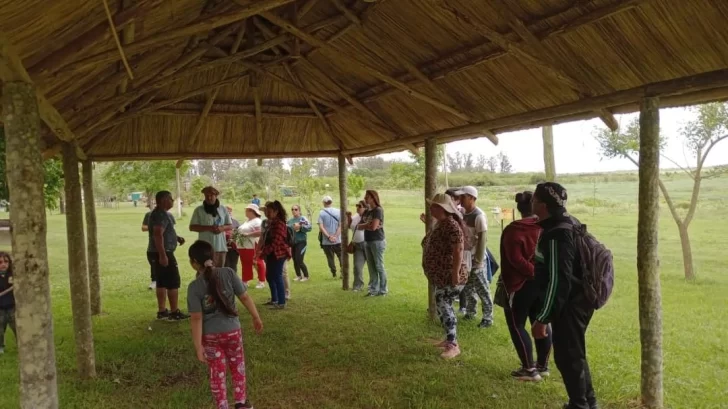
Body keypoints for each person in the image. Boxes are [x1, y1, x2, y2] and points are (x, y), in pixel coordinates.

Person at [530, 182, 597, 409]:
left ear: (542, 204)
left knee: (568, 358)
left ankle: (580, 405)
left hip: (570, 305)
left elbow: (559, 280)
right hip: (578, 301)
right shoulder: (569, 222)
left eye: (534, 199)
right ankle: (587, 403)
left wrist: (544, 317)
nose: (531, 203)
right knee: (574, 355)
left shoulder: (557, 233)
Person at [186, 240, 263, 409]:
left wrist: (198, 346)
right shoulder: (228, 273)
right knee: (238, 366)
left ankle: (222, 405)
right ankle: (241, 403)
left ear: (194, 263)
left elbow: (196, 318)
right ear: (213, 256)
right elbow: (244, 297)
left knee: (217, 372)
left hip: (210, 337)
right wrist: (256, 317)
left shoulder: (194, 287)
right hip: (233, 332)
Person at [500, 191, 551, 382]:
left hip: (520, 284)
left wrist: (532, 272)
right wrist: (540, 274)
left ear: (519, 208)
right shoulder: (545, 227)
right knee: (541, 321)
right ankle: (542, 366)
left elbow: (515, 259)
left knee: (516, 324)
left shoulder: (514, 229)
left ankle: (529, 370)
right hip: (542, 283)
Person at [422, 194, 469, 359]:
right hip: (441, 275)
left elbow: (458, 250)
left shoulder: (451, 225)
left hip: (450, 276)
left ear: (442, 209)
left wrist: (455, 273)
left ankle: (453, 344)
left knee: (444, 304)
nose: (430, 208)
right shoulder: (441, 223)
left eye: (434, 206)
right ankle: (449, 339)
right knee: (442, 303)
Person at [455, 186, 493, 328]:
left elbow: (483, 238)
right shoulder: (463, 213)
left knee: (482, 288)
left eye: (463, 197)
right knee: (469, 287)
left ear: (472, 198)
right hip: (466, 257)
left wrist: (478, 260)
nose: (461, 200)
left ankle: (488, 318)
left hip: (476, 259)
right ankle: (471, 312)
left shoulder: (479, 216)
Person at [148, 191, 190, 321]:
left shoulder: (159, 214)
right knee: (172, 282)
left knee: (161, 282)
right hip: (163, 252)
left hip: (155, 252)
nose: (172, 201)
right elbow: (157, 234)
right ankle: (174, 312)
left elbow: (163, 232)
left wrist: (176, 238)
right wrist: (163, 255)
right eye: (170, 199)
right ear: (164, 200)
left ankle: (162, 311)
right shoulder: (161, 215)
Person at [257, 201, 291, 309]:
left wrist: (263, 253)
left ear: (276, 212)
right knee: (270, 276)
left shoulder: (279, 224)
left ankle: (281, 303)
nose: (267, 213)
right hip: (272, 254)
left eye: (270, 211)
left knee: (277, 276)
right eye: (266, 211)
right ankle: (275, 299)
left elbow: (276, 243)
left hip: (279, 254)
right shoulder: (270, 223)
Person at [189, 186, 233, 267]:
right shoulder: (199, 210)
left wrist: (221, 228)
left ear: (216, 196)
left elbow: (230, 225)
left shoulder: (223, 209)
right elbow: (192, 227)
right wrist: (209, 228)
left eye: (211, 195)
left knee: (219, 273)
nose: (209, 198)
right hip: (204, 250)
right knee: (203, 273)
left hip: (220, 247)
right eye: (207, 196)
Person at [358, 190, 388, 296]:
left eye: (367, 197)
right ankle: (373, 290)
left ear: (373, 198)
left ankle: (383, 290)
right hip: (367, 241)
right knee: (371, 267)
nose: (365, 198)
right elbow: (359, 226)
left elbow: (374, 227)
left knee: (379, 266)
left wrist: (368, 225)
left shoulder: (378, 210)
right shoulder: (367, 211)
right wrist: (368, 224)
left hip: (377, 241)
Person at [236, 204, 266, 289]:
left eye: (247, 210)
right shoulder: (247, 221)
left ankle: (261, 280)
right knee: (245, 262)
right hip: (244, 245)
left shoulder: (257, 221)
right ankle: (245, 280)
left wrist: (248, 234)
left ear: (252, 211)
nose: (245, 212)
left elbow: (261, 232)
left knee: (257, 262)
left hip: (253, 245)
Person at [318, 195, 342, 278]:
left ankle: (333, 272)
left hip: (326, 241)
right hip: (338, 240)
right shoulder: (338, 211)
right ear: (331, 202)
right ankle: (342, 272)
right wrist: (335, 236)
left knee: (330, 257)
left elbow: (321, 227)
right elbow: (340, 226)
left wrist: (329, 237)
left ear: (324, 203)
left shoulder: (321, 212)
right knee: (340, 256)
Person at [288, 205, 312, 281]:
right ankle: (298, 275)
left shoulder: (303, 218)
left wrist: (300, 227)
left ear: (299, 210)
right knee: (294, 259)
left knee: (299, 259)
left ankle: (306, 276)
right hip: (293, 243)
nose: (294, 211)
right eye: (292, 209)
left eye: (296, 209)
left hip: (301, 242)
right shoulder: (290, 221)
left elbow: (309, 227)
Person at [347, 200, 367, 291]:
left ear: (365, 208)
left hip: (366, 244)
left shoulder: (368, 217)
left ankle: (375, 286)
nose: (357, 207)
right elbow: (349, 226)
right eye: (357, 205)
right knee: (357, 267)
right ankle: (358, 286)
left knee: (373, 266)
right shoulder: (355, 216)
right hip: (357, 245)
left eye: (360, 206)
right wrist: (348, 217)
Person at [0, 252, 16, 354]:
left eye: (6, 261)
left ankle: (21, 344)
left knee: (16, 327)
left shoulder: (12, 276)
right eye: (0, 262)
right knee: (0, 329)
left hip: (12, 307)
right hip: (0, 308)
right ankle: (0, 346)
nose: (3, 264)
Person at [224, 206, 241, 273]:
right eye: (227, 211)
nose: (229, 213)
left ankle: (233, 280)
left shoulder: (235, 222)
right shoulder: (221, 222)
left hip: (234, 248)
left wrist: (233, 239)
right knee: (225, 265)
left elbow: (239, 234)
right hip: (223, 248)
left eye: (230, 211)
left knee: (233, 265)